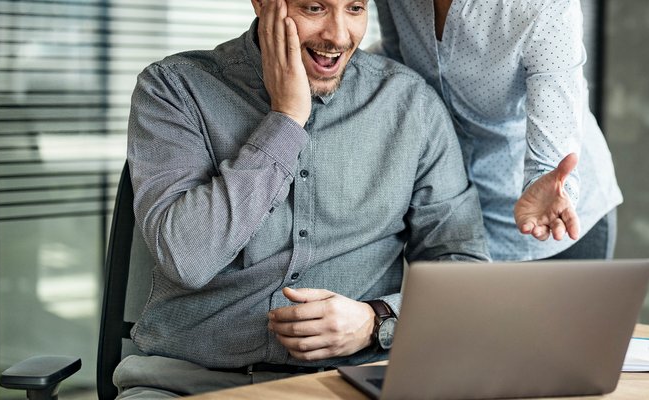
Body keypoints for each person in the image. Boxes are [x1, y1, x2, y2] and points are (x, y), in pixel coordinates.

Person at [113, 0, 489, 397]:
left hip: (349, 383)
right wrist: (286, 119)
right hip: (187, 385)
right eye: (315, 8)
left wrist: (378, 321)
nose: (339, 35)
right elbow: (186, 258)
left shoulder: (411, 105)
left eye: (355, 9)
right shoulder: (175, 88)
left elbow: (463, 271)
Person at [372, 0, 623, 261]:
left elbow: (551, 154)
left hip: (548, 224)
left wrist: (550, 185)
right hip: (451, 219)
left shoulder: (542, 5)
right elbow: (396, 64)